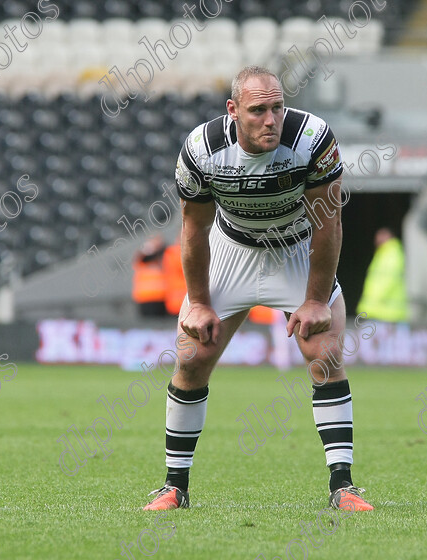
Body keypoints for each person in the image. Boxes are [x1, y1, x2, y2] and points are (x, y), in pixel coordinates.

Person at [143, 66, 373, 512]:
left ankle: (343, 487)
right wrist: (200, 304)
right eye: (257, 111)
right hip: (232, 249)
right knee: (192, 358)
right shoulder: (202, 150)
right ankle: (174, 488)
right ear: (232, 111)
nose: (271, 120)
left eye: (277, 107)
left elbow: (328, 225)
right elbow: (193, 230)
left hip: (295, 248)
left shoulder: (312, 139)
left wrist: (312, 299)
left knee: (324, 352)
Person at [356, 227, 408, 322]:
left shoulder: (391, 254)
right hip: (383, 313)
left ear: (389, 237)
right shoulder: (384, 253)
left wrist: (373, 303)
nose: (377, 239)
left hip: (385, 314)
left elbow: (387, 280)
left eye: (381, 235)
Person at [132, 236, 169, 317]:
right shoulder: (143, 258)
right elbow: (141, 257)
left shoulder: (164, 258)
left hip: (161, 297)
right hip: (145, 298)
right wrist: (151, 247)